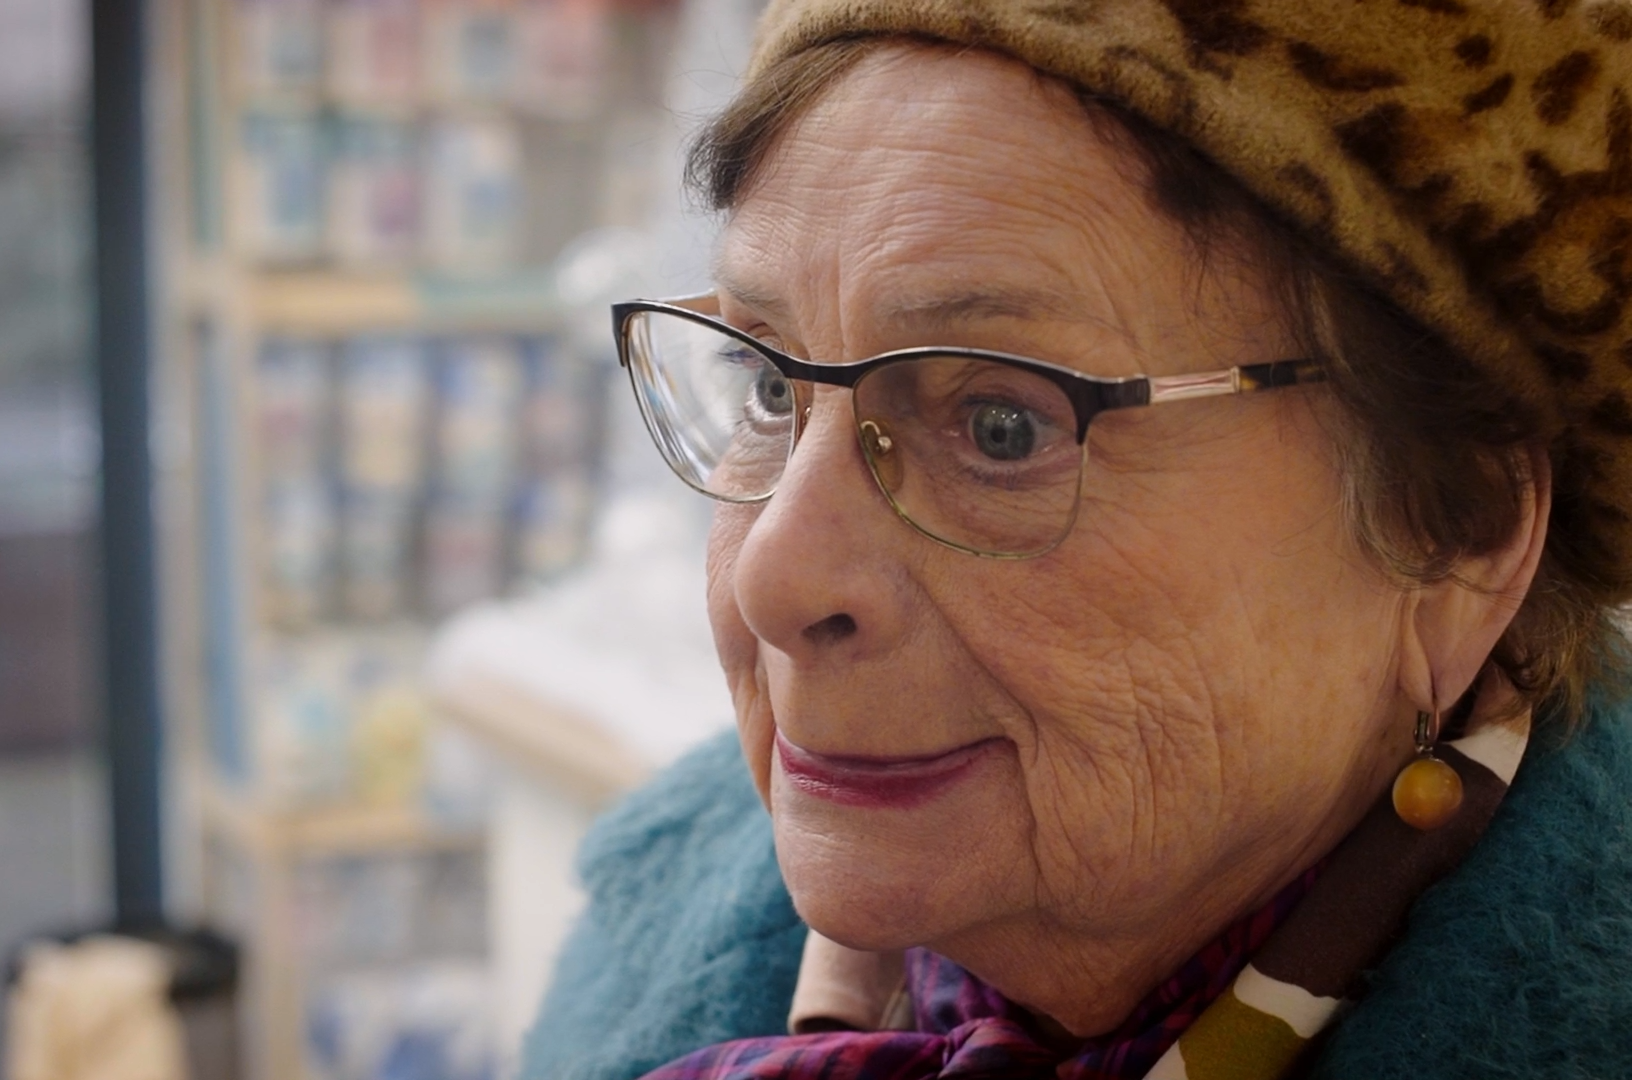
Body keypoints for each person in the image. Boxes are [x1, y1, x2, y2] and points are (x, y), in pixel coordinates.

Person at [523, 2, 1632, 1078]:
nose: (774, 577)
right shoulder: (638, 974)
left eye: (1001, 426)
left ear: (1458, 535)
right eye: (769, 386)